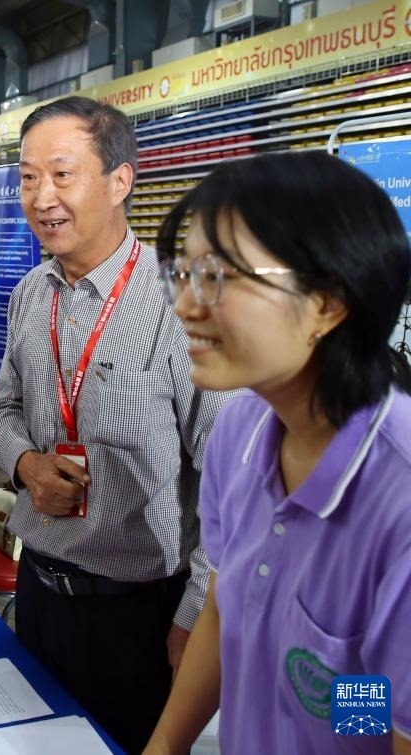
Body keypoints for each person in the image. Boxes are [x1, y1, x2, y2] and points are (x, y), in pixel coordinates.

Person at [0, 96, 234, 754]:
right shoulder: (30, 294)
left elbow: (230, 482)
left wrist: (195, 617)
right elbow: (2, 408)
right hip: (40, 592)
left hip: (141, 617)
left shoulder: (182, 304)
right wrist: (26, 465)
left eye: (61, 175)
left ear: (119, 180)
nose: (41, 197)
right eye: (28, 177)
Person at [144, 153, 411, 754]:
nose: (185, 305)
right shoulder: (239, 431)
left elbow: (387, 716)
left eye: (217, 276)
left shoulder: (398, 498)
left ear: (326, 302)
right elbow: (223, 611)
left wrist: (327, 709)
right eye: (182, 274)